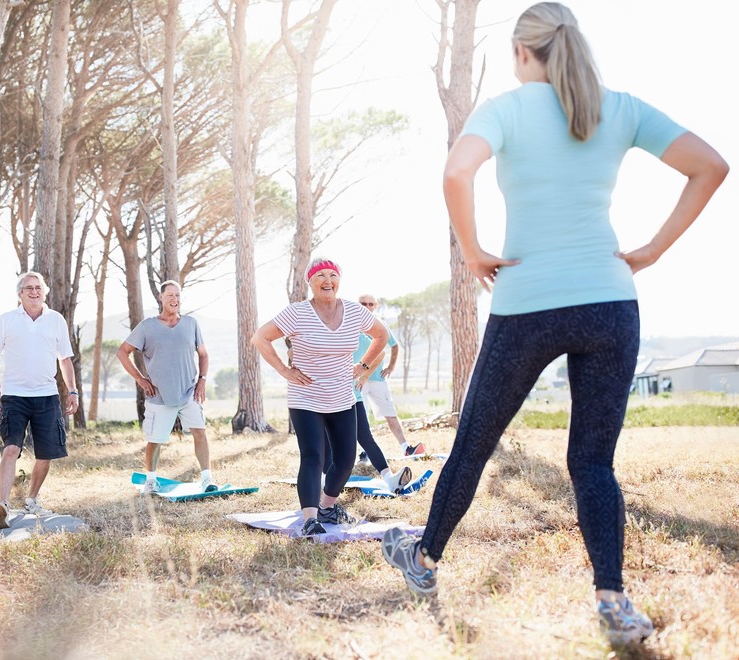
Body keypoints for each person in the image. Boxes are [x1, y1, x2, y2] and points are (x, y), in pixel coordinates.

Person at [381, 2, 727, 646]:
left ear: (521, 53)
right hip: (610, 303)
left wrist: (474, 249)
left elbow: (457, 171)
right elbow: (711, 166)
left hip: (528, 304)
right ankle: (615, 603)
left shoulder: (507, 109)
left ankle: (423, 562)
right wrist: (650, 251)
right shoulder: (619, 106)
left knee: (475, 441)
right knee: (592, 463)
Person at [252, 258, 390, 536]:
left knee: (346, 458)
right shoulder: (297, 313)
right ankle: (310, 518)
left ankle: (328, 505)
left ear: (339, 280)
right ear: (310, 282)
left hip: (342, 396)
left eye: (332, 275)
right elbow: (260, 338)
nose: (327, 281)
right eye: (320, 276)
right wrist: (284, 371)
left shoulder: (353, 311)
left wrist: (362, 366)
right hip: (306, 396)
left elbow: (381, 335)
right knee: (313, 456)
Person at [0, 271, 80, 530]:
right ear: (20, 294)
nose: (34, 292)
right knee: (11, 449)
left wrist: (72, 390)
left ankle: (31, 499)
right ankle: (2, 504)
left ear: (44, 292)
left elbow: (65, 360)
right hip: (14, 395)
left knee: (46, 454)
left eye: (38, 288)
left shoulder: (56, 320)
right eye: (29, 288)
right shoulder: (6, 320)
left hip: (47, 395)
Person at [117, 280, 216, 495]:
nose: (175, 299)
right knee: (155, 440)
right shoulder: (147, 327)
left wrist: (202, 380)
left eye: (178, 295)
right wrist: (141, 379)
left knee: (200, 433)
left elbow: (204, 354)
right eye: (170, 295)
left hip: (189, 391)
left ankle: (207, 479)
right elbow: (122, 352)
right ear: (160, 298)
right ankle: (150, 481)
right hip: (160, 395)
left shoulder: (191, 324)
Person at [355, 294, 425, 457]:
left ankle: (406, 448)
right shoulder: (351, 324)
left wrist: (391, 367)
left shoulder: (381, 325)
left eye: (370, 304)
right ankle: (363, 453)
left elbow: (393, 346)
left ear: (376, 306)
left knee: (390, 414)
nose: (367, 307)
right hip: (357, 380)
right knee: (361, 418)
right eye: (363, 303)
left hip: (377, 378)